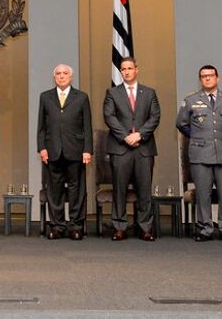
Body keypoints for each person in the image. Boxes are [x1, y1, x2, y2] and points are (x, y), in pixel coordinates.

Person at [176, 64, 222, 242]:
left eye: (210, 75)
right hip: (200, 154)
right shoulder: (191, 100)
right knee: (203, 194)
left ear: (217, 78)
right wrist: (198, 137)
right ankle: (204, 228)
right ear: (200, 79)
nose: (207, 78)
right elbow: (181, 124)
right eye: (203, 76)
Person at [103, 57, 161, 242]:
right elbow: (109, 116)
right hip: (120, 148)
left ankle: (145, 228)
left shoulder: (149, 93)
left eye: (129, 68)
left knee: (144, 191)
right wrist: (126, 136)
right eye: (123, 69)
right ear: (120, 72)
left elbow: (155, 117)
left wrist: (140, 135)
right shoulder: (112, 92)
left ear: (137, 69)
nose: (126, 71)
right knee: (119, 190)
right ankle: (119, 227)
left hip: (144, 149)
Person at [37, 64, 92, 241]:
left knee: (77, 190)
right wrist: (42, 148)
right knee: (55, 190)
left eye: (65, 73)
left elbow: (87, 127)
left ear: (71, 77)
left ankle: (76, 226)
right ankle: (57, 226)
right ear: (54, 77)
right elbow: (41, 127)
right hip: (53, 151)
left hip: (76, 151)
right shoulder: (45, 97)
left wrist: (87, 150)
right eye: (58, 74)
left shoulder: (81, 97)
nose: (61, 76)